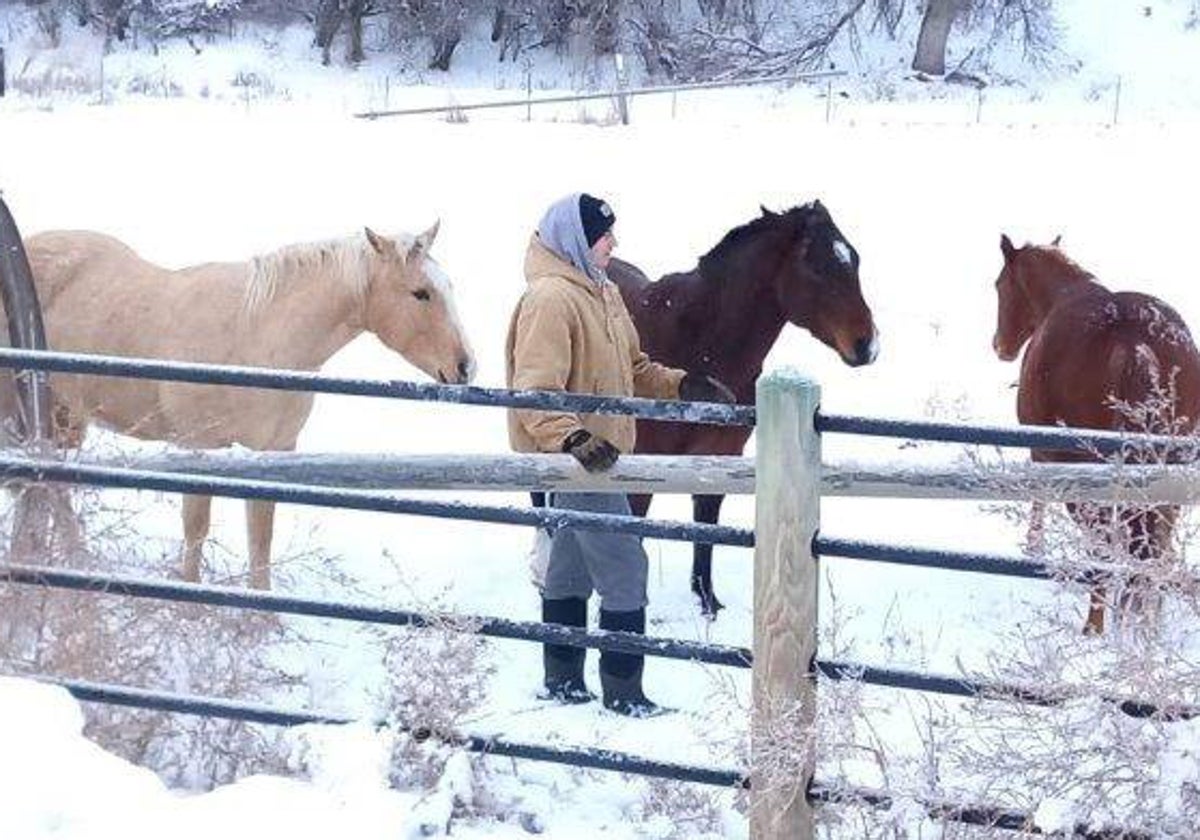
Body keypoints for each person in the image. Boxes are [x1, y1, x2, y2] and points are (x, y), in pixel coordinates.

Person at [505, 192, 735, 717]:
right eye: (604, 235)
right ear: (576, 241)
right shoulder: (551, 300)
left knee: (569, 570)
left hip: (597, 457)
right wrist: (573, 440)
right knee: (626, 569)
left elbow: (634, 368)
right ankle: (624, 692)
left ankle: (562, 679)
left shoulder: (600, 291)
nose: (614, 242)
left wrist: (684, 385)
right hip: (579, 461)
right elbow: (534, 390)